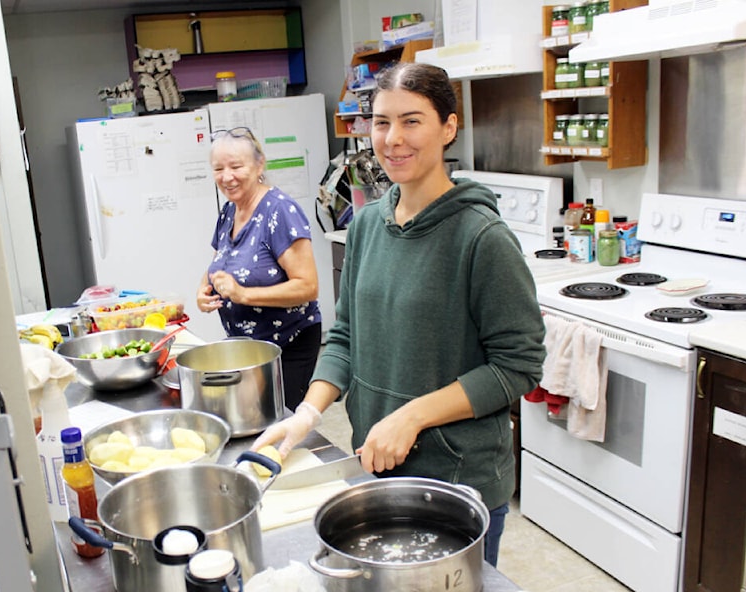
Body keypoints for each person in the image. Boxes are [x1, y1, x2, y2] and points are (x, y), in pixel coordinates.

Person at [251, 64, 546, 566]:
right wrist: (306, 414)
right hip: (381, 464)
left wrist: (410, 417)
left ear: (448, 128)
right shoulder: (366, 224)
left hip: (457, 480)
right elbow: (345, 337)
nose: (392, 139)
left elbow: (517, 366)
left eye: (412, 121)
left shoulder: (482, 238)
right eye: (382, 122)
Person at [196, 126, 322, 410]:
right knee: (252, 420)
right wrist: (203, 289)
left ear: (259, 164)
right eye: (218, 169)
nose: (227, 177)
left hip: (287, 346)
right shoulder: (229, 210)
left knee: (280, 426)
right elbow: (220, 261)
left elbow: (308, 286)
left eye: (236, 166)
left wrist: (243, 295)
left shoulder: (280, 211)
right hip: (246, 347)